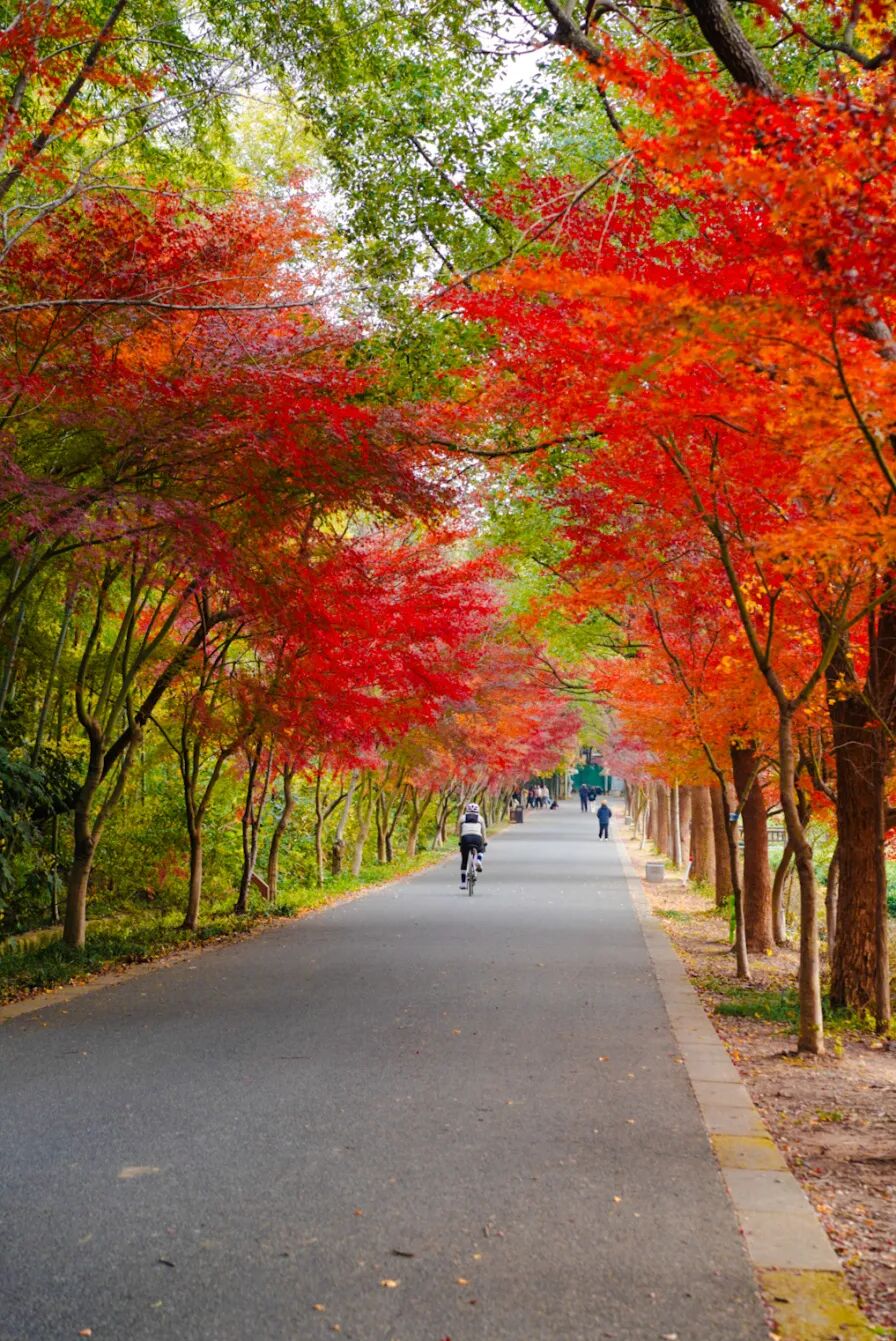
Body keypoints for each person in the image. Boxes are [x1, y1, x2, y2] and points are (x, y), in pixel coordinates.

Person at [458, 801, 487, 889]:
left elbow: (459, 832)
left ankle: (463, 883)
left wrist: (460, 841)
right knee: (481, 849)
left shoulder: (462, 818)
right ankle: (478, 860)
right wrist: (484, 842)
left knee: (464, 860)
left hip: (465, 838)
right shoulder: (480, 818)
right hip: (477, 838)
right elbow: (483, 832)